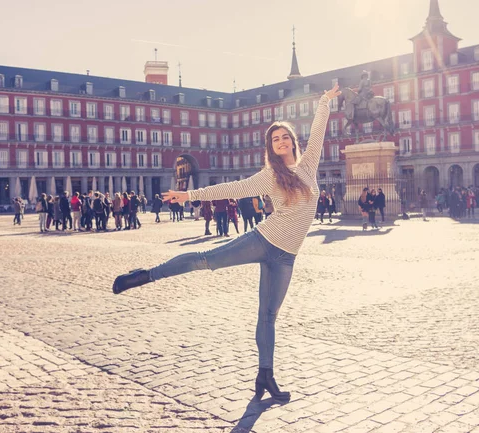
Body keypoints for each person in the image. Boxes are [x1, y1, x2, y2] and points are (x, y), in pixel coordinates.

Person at [112, 84, 340, 403]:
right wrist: (190, 195)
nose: (281, 142)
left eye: (285, 137)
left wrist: (324, 100)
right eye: (275, 139)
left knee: (267, 316)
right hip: (263, 240)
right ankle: (146, 275)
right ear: (270, 147)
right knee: (205, 259)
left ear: (292, 142)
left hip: (287, 257)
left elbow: (319, 131)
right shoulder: (268, 176)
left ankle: (266, 376)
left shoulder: (307, 166)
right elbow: (230, 188)